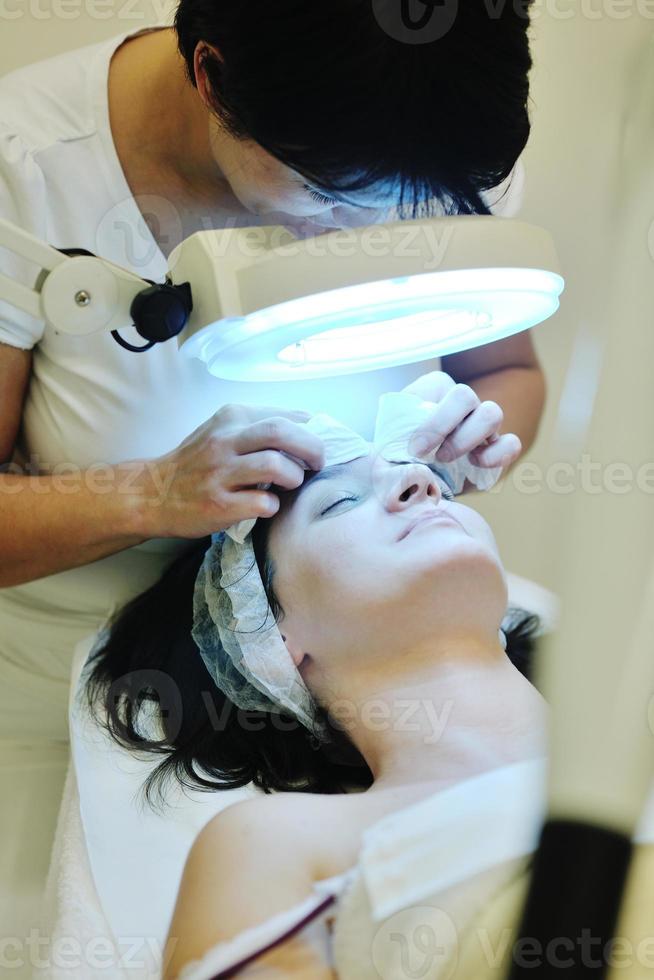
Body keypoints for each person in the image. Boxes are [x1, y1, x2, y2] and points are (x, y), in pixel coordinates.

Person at [0, 0, 543, 960]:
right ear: (211, 78)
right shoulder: (28, 170)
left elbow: (505, 372)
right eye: (332, 191)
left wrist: (474, 442)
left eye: (405, 205)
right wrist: (149, 495)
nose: (362, 229)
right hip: (69, 681)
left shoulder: (439, 125)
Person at [85, 429, 546, 978]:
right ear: (266, 639)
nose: (421, 482)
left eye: (443, 491)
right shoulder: (281, 844)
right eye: (342, 502)